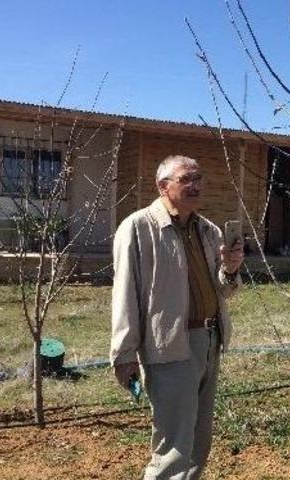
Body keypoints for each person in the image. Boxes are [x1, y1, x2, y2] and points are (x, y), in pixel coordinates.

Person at [110, 155, 244, 480]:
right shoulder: (138, 228)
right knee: (173, 446)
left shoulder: (208, 230)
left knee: (199, 442)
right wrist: (124, 353)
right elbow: (125, 293)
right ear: (163, 186)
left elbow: (224, 290)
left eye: (198, 178)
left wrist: (230, 268)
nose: (195, 185)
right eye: (186, 180)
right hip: (170, 348)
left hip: (210, 341)